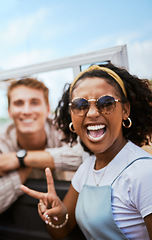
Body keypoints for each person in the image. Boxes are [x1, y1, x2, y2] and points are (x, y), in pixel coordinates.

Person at [21, 63, 152, 239]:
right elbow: (60, 231)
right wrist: (56, 215)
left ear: (125, 110)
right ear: (71, 116)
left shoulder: (144, 173)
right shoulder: (87, 168)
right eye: (80, 105)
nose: (91, 113)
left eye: (106, 103)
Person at [0, 77, 86, 217]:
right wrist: (25, 170)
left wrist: (22, 159)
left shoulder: (65, 130)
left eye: (34, 102)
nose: (26, 110)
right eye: (19, 103)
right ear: (9, 111)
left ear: (48, 109)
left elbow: (87, 156)